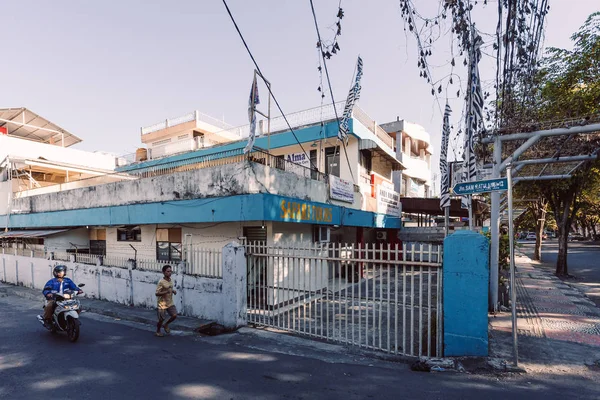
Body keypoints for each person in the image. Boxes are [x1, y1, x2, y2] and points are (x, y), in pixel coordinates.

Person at [155, 265, 177, 337]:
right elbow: (157, 293)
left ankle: (166, 324)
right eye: (168, 271)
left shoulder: (170, 280)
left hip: (169, 301)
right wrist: (166, 292)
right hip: (162, 302)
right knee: (161, 319)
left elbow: (169, 289)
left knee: (174, 315)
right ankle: (158, 331)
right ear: (164, 272)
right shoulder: (161, 282)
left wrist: (173, 291)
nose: (169, 273)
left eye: (170, 271)